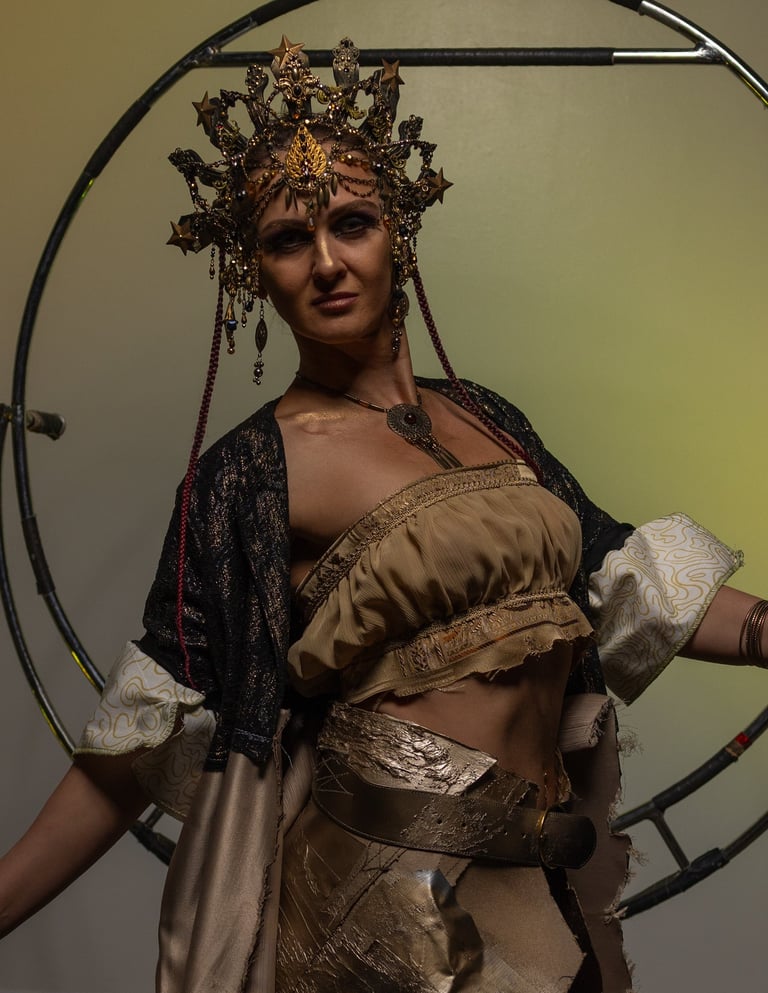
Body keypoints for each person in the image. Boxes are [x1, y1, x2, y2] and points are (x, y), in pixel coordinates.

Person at [0, 35, 764, 993]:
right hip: (385, 909)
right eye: (288, 240)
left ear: (397, 232)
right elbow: (148, 728)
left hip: (534, 884)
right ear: (252, 272)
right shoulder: (251, 472)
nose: (326, 261)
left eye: (352, 222)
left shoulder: (485, 416)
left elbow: (617, 577)